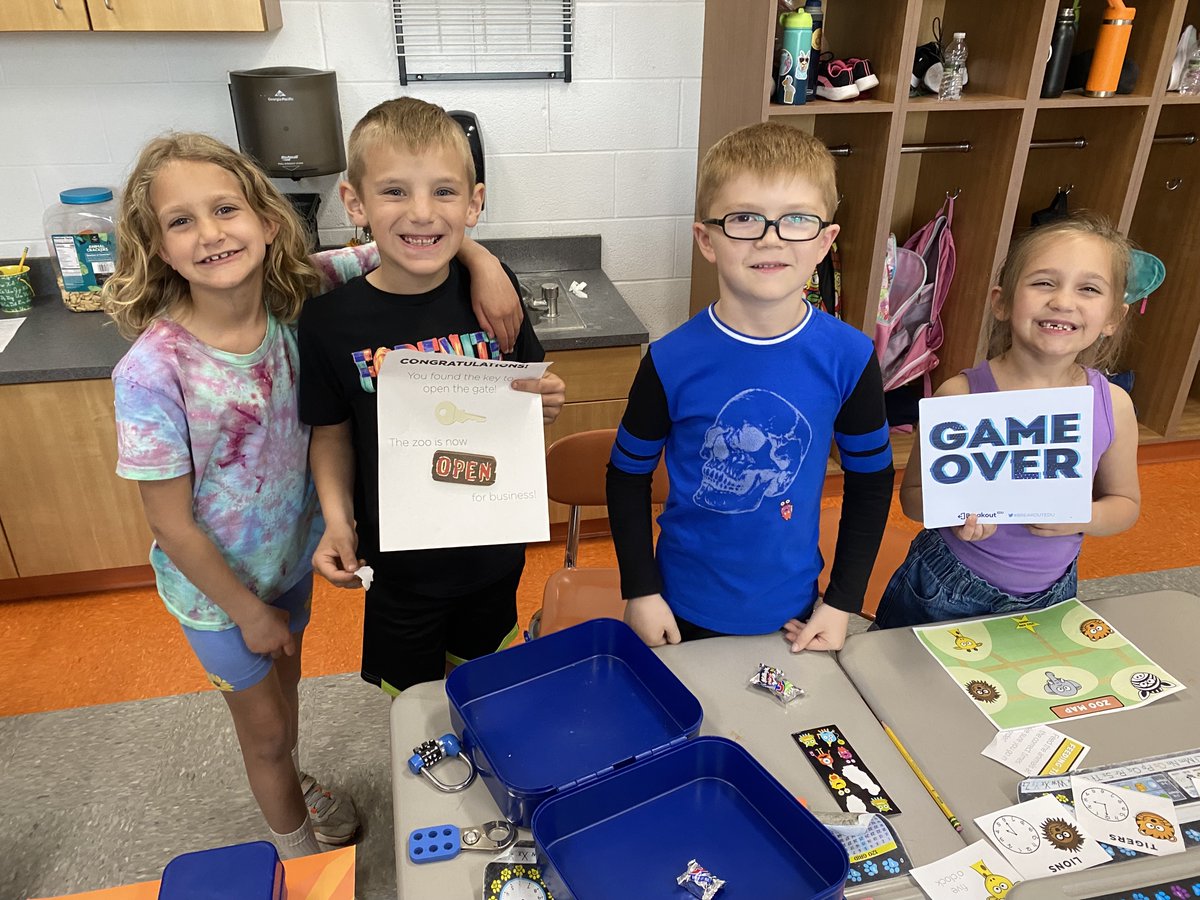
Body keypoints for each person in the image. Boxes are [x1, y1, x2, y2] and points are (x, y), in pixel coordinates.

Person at [102, 133, 360, 859]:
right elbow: (172, 526)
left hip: (287, 564)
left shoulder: (295, 300)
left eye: (225, 209)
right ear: (156, 247)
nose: (211, 233)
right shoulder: (152, 372)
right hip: (216, 595)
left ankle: (292, 778)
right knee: (266, 730)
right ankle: (297, 855)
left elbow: (391, 251)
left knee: (288, 699)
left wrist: (480, 260)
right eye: (181, 221)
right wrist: (247, 613)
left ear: (268, 222)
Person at [298, 97, 566, 696]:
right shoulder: (327, 322)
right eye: (394, 191)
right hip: (400, 571)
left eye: (444, 192)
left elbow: (521, 400)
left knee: (486, 693)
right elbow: (331, 431)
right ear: (355, 203)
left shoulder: (492, 292)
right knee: (413, 709)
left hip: (493, 557)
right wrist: (337, 522)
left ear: (474, 203)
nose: (421, 213)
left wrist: (541, 404)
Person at [606, 122, 895, 653]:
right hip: (675, 609)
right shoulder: (670, 361)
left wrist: (842, 600)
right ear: (707, 239)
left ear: (826, 241)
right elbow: (627, 477)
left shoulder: (850, 358)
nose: (770, 237)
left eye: (797, 220)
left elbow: (873, 484)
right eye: (744, 218)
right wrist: (640, 591)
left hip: (795, 616)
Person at [874, 211, 1141, 629]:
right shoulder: (960, 396)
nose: (1063, 301)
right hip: (946, 584)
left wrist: (1081, 517)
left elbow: (1124, 504)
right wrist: (956, 512)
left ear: (1112, 318)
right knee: (904, 680)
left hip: (1052, 591)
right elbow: (913, 498)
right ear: (1001, 301)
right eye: (1043, 283)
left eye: (1088, 288)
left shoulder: (1112, 405)